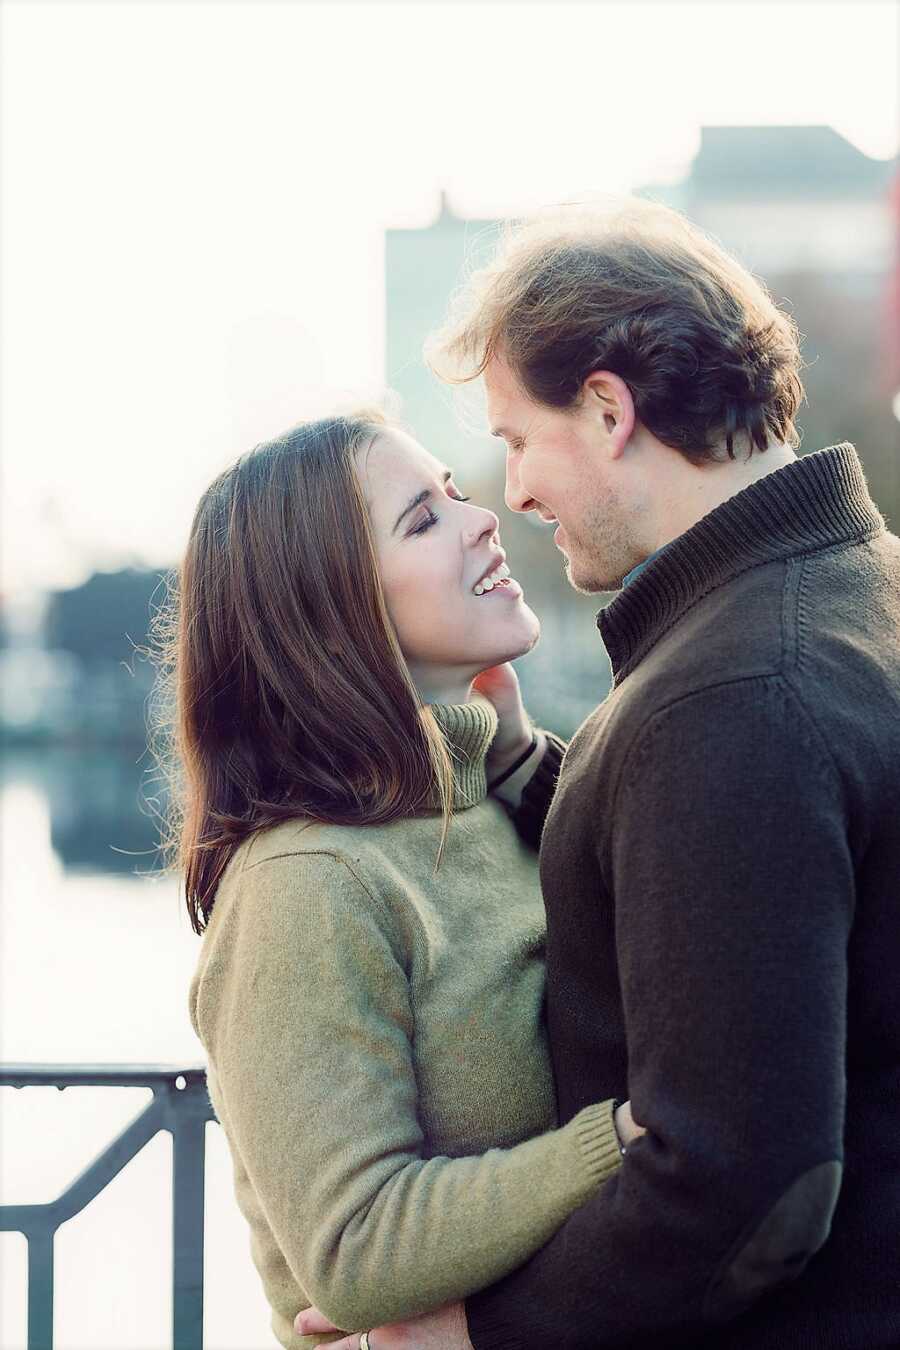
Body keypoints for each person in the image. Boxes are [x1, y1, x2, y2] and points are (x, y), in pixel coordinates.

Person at [299, 199, 900, 1349]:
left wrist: (478, 1331)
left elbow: (744, 1189)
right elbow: (768, 867)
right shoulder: (860, 593)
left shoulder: (729, 701)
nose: (512, 491)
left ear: (610, 411)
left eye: (518, 439)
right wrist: (533, 769)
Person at [167, 410, 644, 1350]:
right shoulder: (308, 880)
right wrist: (626, 1144)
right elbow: (354, 1249)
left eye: (455, 495)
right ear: (327, 611)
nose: (483, 520)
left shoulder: (472, 810)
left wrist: (507, 763)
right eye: (422, 520)